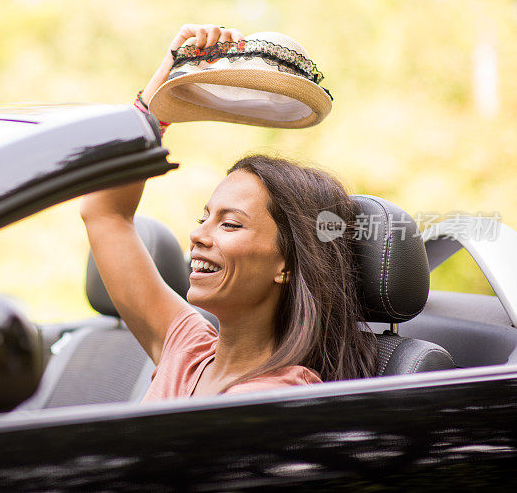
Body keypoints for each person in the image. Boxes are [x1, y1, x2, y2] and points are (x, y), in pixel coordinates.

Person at [80, 24, 377, 401]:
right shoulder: (187, 349)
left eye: (230, 224)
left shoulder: (283, 395)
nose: (199, 236)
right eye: (203, 218)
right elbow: (104, 214)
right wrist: (168, 84)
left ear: (286, 264)